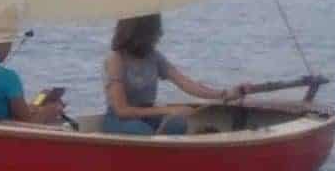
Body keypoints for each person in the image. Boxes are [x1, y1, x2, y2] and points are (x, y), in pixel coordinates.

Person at [101, 14, 244, 136]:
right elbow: (122, 110)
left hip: (148, 117)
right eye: (156, 30)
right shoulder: (116, 59)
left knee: (178, 123)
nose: (160, 34)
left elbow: (187, 84)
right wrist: (170, 110)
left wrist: (224, 94)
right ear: (140, 33)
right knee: (141, 131)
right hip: (119, 121)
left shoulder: (154, 57)